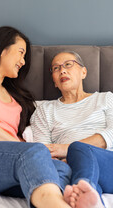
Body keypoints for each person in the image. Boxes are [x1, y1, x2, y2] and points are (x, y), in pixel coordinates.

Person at [0, 26, 73, 208]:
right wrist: (30, 151)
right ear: (1, 48)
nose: (23, 62)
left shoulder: (17, 102)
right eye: (21, 52)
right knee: (35, 153)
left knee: (62, 169)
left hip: (0, 165)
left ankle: (51, 200)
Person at [30, 50, 113, 207]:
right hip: (69, 167)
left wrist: (68, 149)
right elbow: (44, 152)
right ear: (54, 81)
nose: (62, 70)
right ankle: (87, 196)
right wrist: (71, 159)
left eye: (68, 64)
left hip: (108, 164)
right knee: (48, 183)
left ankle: (82, 188)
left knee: (79, 148)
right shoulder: (44, 110)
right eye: (56, 68)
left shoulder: (106, 98)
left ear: (83, 72)